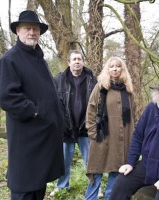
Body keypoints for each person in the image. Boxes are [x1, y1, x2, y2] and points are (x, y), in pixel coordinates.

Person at [0, 10, 64, 199]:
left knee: (38, 186)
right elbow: (8, 97)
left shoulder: (38, 58)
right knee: (24, 187)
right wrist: (36, 112)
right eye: (28, 28)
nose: (32, 32)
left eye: (35, 29)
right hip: (26, 137)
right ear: (18, 30)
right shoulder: (10, 59)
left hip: (43, 138)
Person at [85, 56, 136, 200]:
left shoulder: (128, 90)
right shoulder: (101, 87)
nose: (115, 68)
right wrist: (93, 132)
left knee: (116, 171)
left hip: (121, 138)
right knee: (96, 171)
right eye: (111, 66)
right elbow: (91, 109)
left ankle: (110, 198)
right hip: (102, 137)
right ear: (107, 69)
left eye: (118, 66)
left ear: (122, 69)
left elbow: (133, 113)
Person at [50, 50, 99, 196]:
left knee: (91, 160)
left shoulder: (92, 79)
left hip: (86, 127)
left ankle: (95, 187)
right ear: (69, 62)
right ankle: (62, 186)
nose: (77, 61)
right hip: (66, 127)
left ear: (83, 62)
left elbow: (99, 101)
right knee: (64, 160)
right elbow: (53, 102)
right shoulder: (59, 79)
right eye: (74, 59)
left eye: (79, 59)